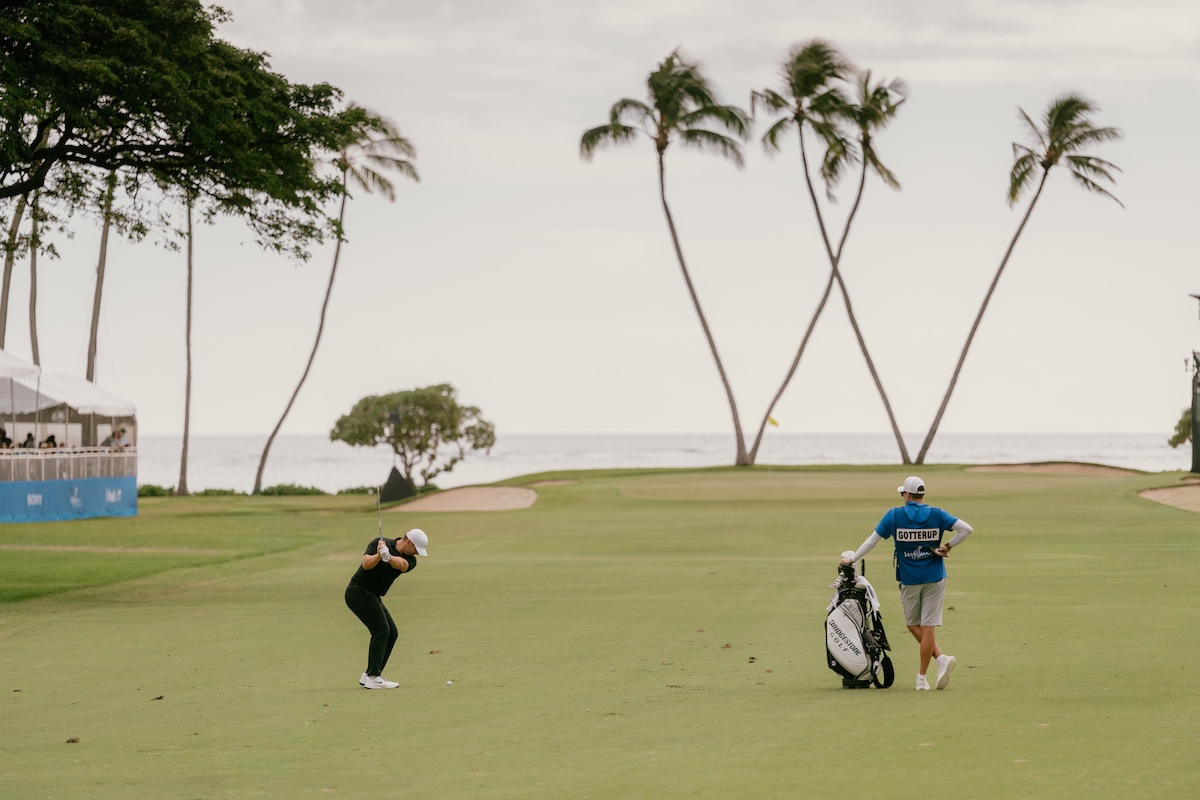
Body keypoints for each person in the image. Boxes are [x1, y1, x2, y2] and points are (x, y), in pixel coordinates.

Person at [840, 476, 974, 691]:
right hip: (935, 577)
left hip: (910, 579)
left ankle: (925, 676)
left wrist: (852, 559)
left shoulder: (894, 515)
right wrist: (948, 546)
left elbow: (872, 540)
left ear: (907, 495)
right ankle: (936, 664)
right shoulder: (937, 514)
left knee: (913, 625)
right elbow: (966, 529)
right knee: (928, 626)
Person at [344, 527, 429, 689]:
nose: (417, 553)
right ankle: (374, 677)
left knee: (392, 632)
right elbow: (366, 565)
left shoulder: (410, 560)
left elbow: (402, 565)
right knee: (381, 631)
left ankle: (370, 674)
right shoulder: (379, 542)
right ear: (409, 542)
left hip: (373, 595)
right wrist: (378, 555)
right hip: (358, 592)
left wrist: (388, 557)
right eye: (416, 549)